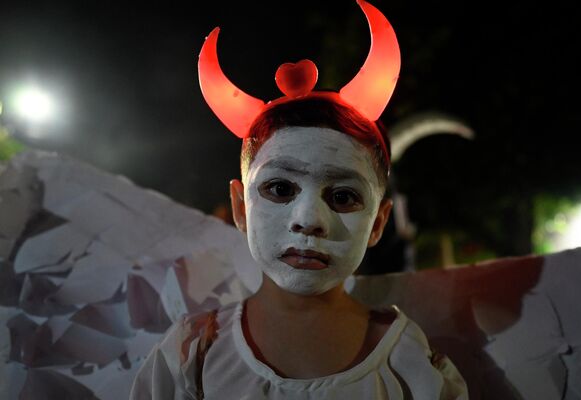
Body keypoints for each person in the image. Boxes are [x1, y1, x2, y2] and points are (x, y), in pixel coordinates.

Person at [130, 1, 468, 399]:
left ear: (378, 222)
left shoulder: (410, 365)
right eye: (280, 189)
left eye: (343, 196)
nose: (309, 220)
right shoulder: (191, 356)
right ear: (241, 208)